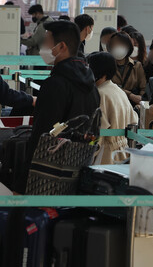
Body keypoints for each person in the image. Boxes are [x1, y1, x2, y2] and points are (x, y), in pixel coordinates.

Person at [21, 20, 100, 192]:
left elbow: (41, 135)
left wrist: (21, 182)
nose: (43, 47)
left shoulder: (55, 84)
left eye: (46, 42)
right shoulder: (91, 85)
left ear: (61, 46)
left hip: (46, 177)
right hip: (78, 173)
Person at [87, 52, 139, 164]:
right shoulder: (118, 91)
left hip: (105, 154)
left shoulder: (100, 94)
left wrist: (88, 151)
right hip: (123, 152)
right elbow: (134, 120)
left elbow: (98, 132)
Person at [107, 32, 146, 106]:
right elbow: (107, 87)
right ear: (110, 47)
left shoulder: (137, 66)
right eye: (115, 44)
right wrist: (130, 95)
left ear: (129, 46)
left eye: (122, 44)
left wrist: (140, 101)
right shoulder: (106, 66)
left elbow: (143, 89)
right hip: (113, 104)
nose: (118, 47)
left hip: (133, 106)